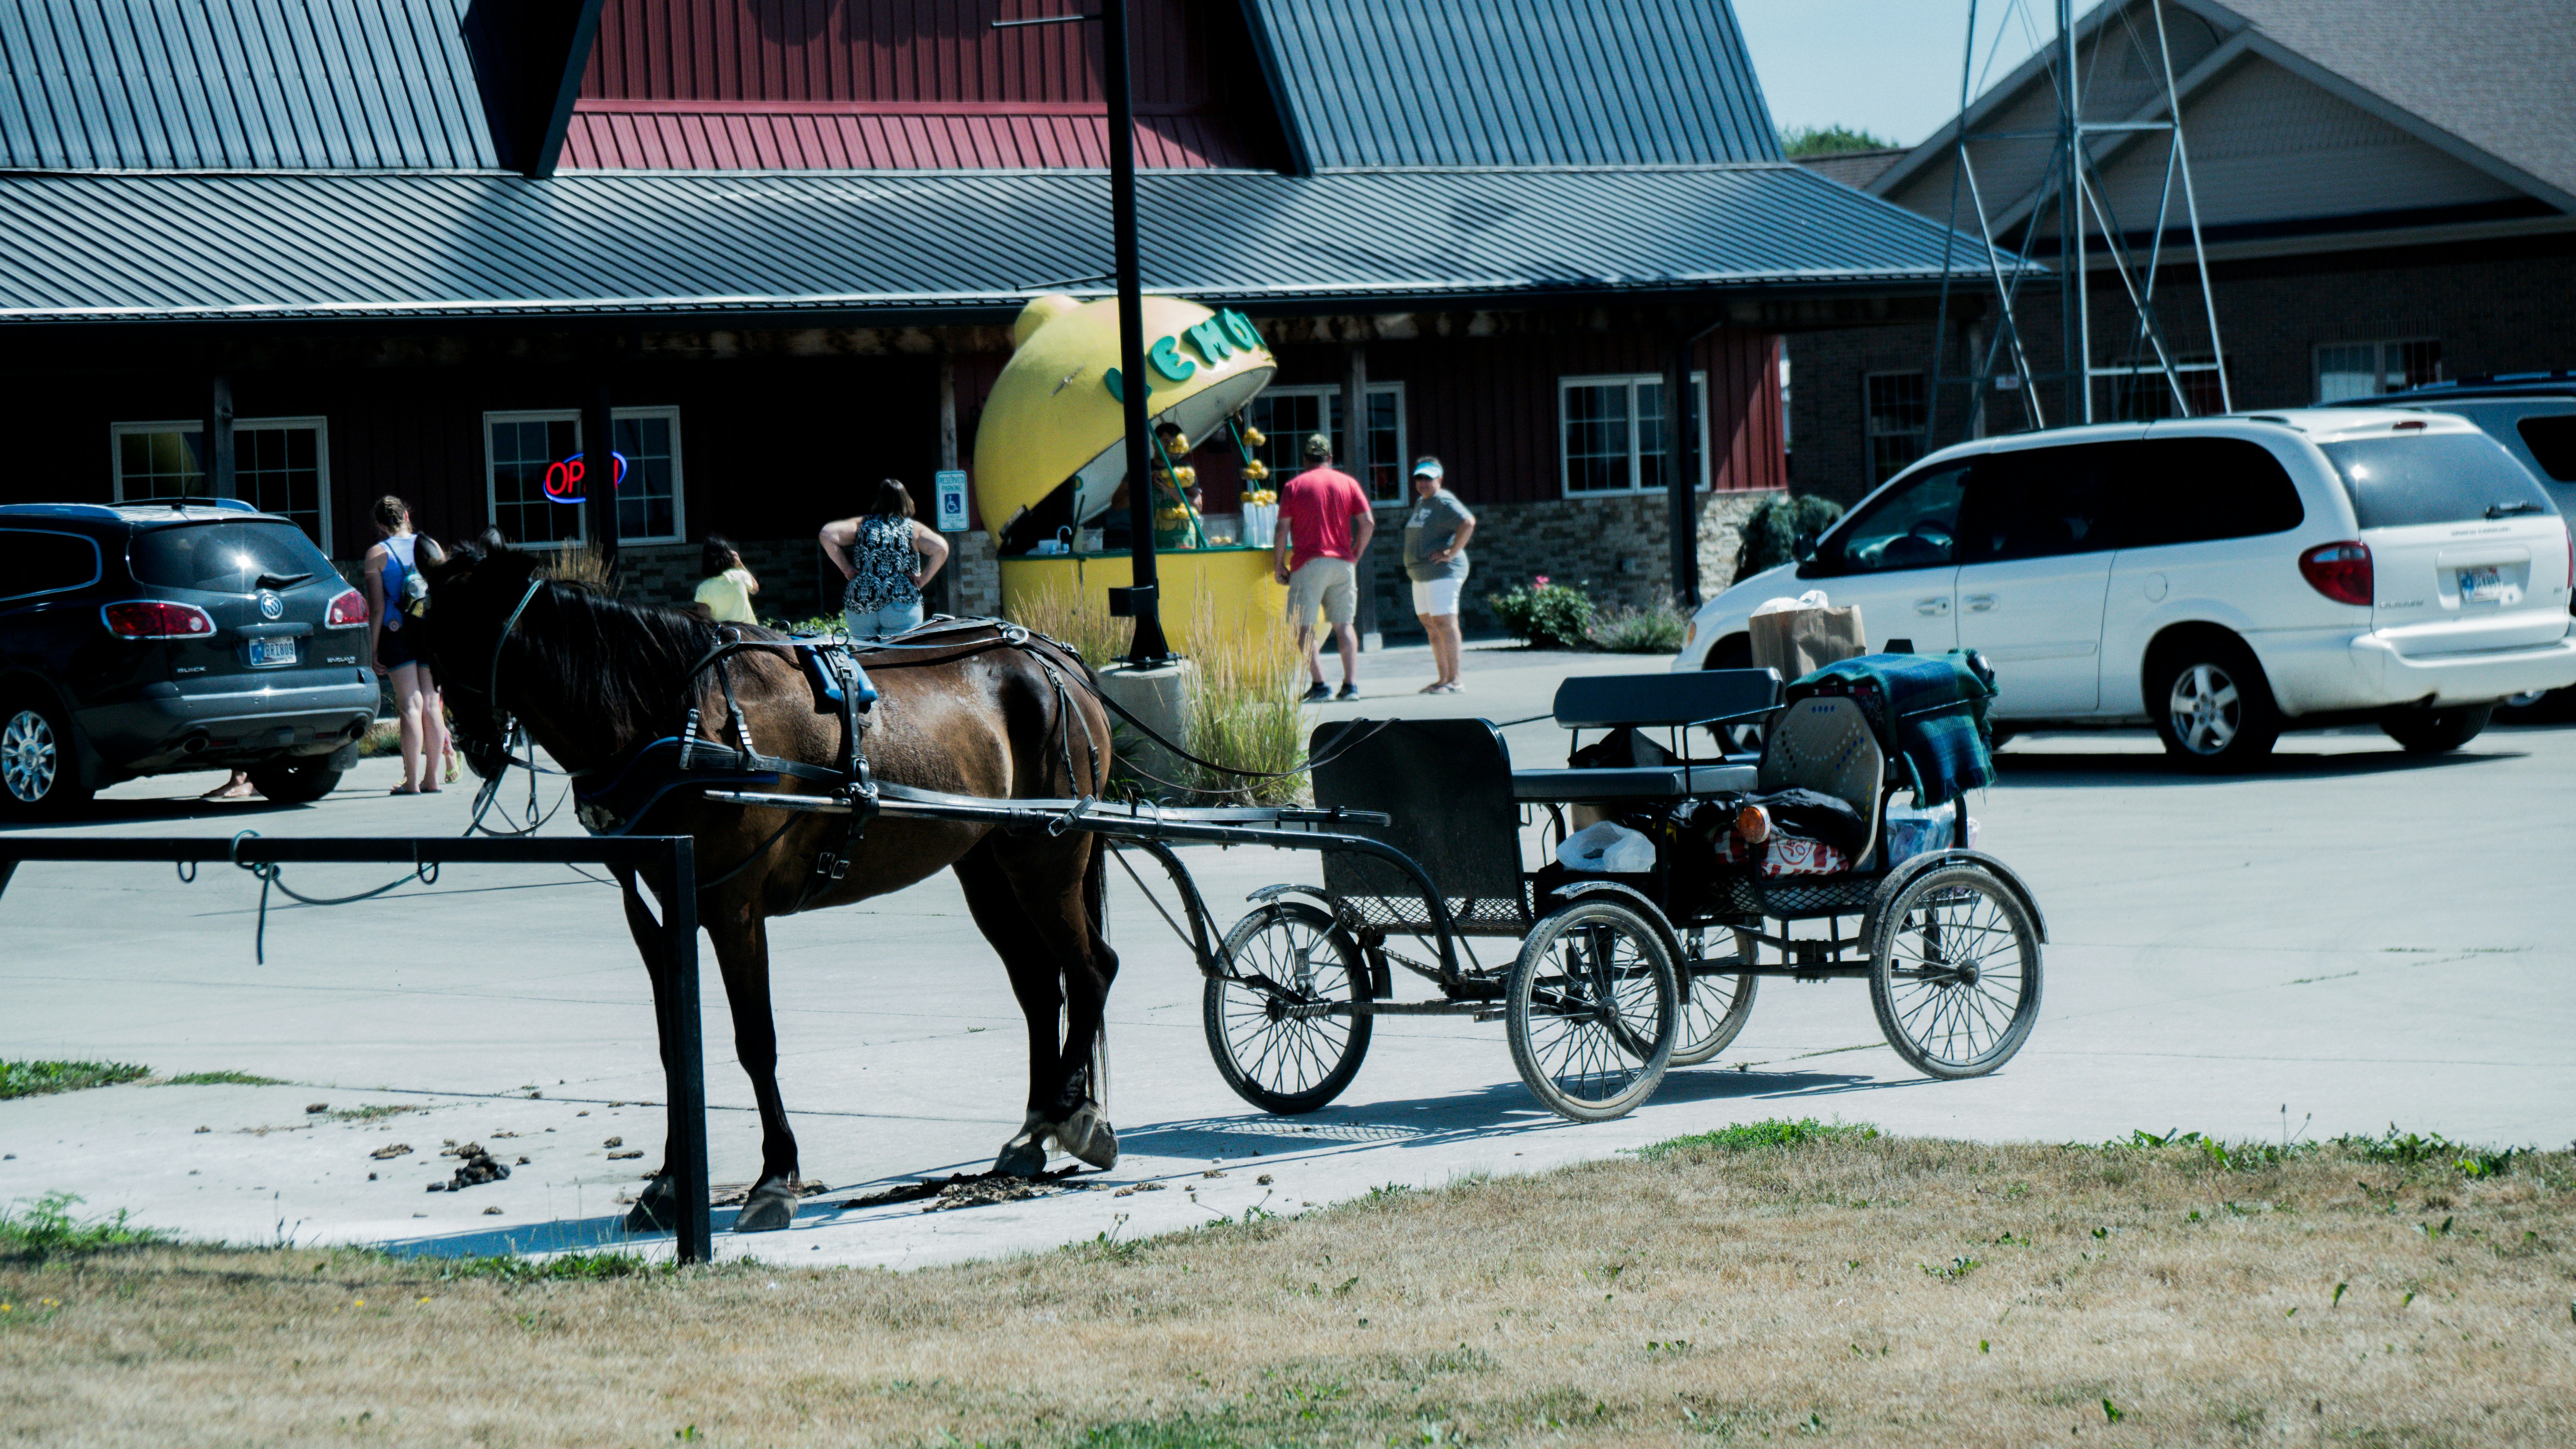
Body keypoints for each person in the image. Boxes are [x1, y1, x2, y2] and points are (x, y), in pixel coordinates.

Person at [1274, 433, 1375, 701]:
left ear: (1305, 459)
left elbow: (1282, 528)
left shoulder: (1294, 486)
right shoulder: (1348, 483)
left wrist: (1279, 565)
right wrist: (1356, 554)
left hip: (1308, 563)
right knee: (1344, 625)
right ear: (1330, 459)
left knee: (1303, 627)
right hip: (1343, 562)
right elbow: (1368, 523)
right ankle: (1350, 686)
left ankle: (1320, 686)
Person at [364, 495, 449, 795]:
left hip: (396, 631)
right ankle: (433, 779)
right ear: (407, 516)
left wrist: (373, 650)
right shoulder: (432, 547)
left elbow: (376, 608)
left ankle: (411, 782)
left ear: (379, 524)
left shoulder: (377, 554)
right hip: (428, 630)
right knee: (430, 703)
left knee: (409, 705)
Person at [822, 479, 950, 639]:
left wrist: (845, 567)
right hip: (901, 603)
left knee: (866, 658)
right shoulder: (913, 529)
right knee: (899, 658)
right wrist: (923, 579)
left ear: (879, 500)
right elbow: (941, 548)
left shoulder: (862, 525)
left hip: (862, 602)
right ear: (906, 500)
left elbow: (827, 534)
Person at [1401, 456, 1476, 694]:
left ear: (1440, 479)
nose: (1423, 483)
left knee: (1444, 623)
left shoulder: (1443, 501)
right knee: (1431, 625)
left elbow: (1468, 522)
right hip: (1421, 574)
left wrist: (1451, 552)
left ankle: (1455, 680)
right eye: (1420, 478)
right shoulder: (1423, 503)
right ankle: (1443, 679)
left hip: (1443, 572)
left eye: (1429, 478)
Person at [691, 534, 761, 624]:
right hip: (751, 632)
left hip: (725, 635)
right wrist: (740, 566)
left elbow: (706, 619)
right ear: (728, 555)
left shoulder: (703, 589)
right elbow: (755, 589)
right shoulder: (741, 576)